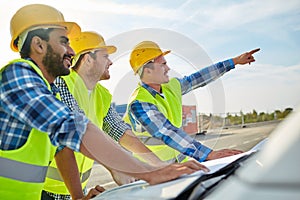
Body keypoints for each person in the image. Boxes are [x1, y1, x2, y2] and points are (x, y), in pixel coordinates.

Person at [0, 5, 208, 200]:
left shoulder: (52, 89)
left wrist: (78, 196)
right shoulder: (17, 75)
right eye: (64, 41)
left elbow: (62, 146)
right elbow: (70, 127)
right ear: (39, 44)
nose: (71, 52)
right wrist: (149, 171)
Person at [42, 31, 169, 199]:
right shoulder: (61, 83)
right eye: (105, 56)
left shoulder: (101, 95)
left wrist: (159, 166)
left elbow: (121, 132)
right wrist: (118, 167)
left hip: (72, 190)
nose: (110, 62)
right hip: (42, 190)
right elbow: (78, 131)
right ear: (88, 59)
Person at [125, 40, 260, 163]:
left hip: (180, 166)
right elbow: (166, 131)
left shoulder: (171, 86)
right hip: (153, 172)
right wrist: (208, 155)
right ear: (148, 71)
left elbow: (199, 78)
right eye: (163, 64)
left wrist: (234, 61)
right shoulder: (139, 103)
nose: (168, 68)